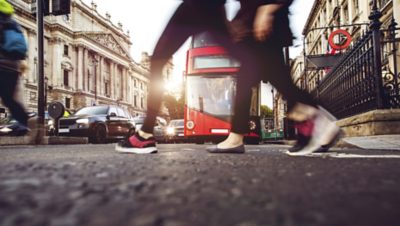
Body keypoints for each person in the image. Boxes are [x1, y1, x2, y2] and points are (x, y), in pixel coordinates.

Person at [206, 0, 341, 155]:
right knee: (270, 78)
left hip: (263, 22)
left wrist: (267, 9)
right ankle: (319, 123)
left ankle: (236, 137)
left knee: (266, 78)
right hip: (254, 23)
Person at [115, 0, 243, 154]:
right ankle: (237, 135)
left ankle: (145, 134)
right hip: (211, 6)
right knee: (250, 62)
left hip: (197, 6)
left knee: (157, 60)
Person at [0, 0, 30, 136]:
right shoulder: (13, 23)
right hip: (13, 66)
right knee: (8, 98)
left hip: (2, 63)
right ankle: (23, 122)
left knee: (7, 98)